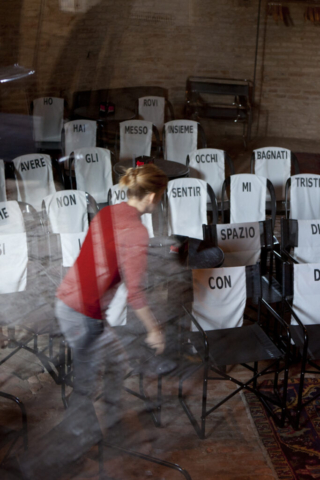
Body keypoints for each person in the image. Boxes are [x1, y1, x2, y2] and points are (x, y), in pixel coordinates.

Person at [55, 163, 168, 401]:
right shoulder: (137, 231)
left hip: (71, 303)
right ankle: (83, 432)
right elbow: (135, 292)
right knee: (88, 385)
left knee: (115, 365)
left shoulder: (106, 212)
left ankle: (107, 427)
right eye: (160, 197)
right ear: (151, 197)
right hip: (84, 312)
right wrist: (154, 330)